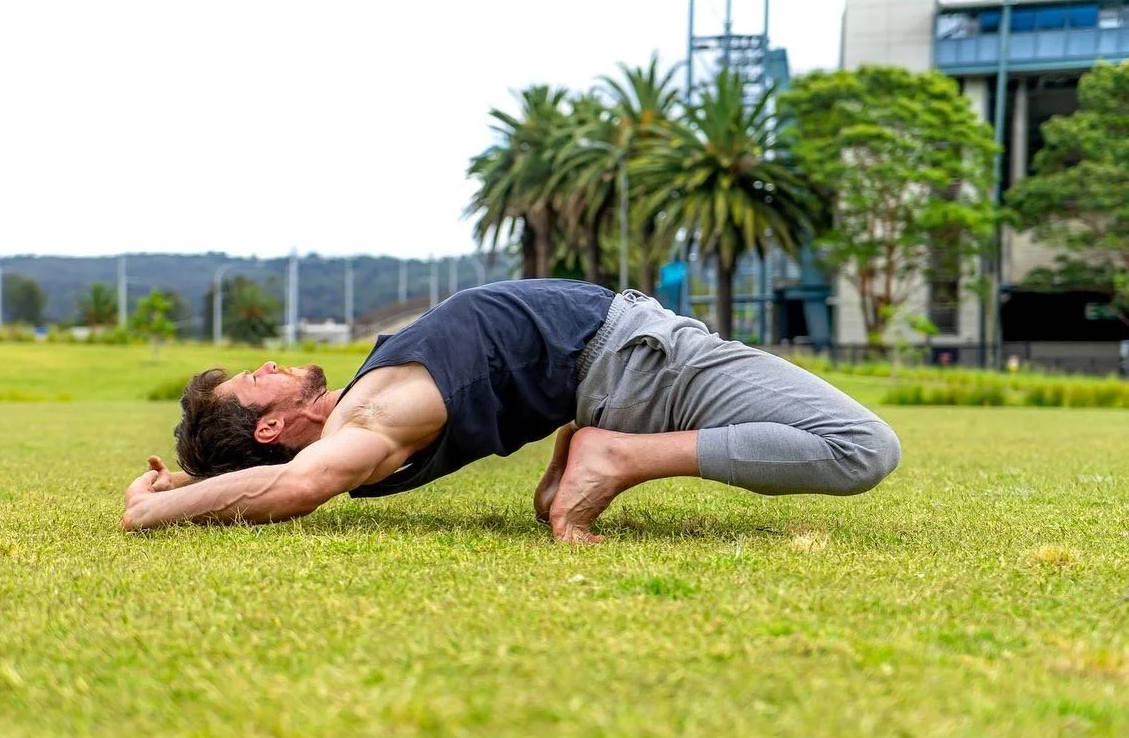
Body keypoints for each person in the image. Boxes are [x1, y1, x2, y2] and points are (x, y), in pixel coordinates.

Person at [123, 279, 900, 543]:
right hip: (639, 358)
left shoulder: (364, 396)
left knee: (853, 442)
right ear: (269, 428)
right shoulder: (368, 418)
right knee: (862, 446)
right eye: (254, 383)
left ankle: (600, 445)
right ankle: (613, 455)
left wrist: (184, 487)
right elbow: (296, 488)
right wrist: (152, 513)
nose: (266, 364)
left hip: (618, 365)